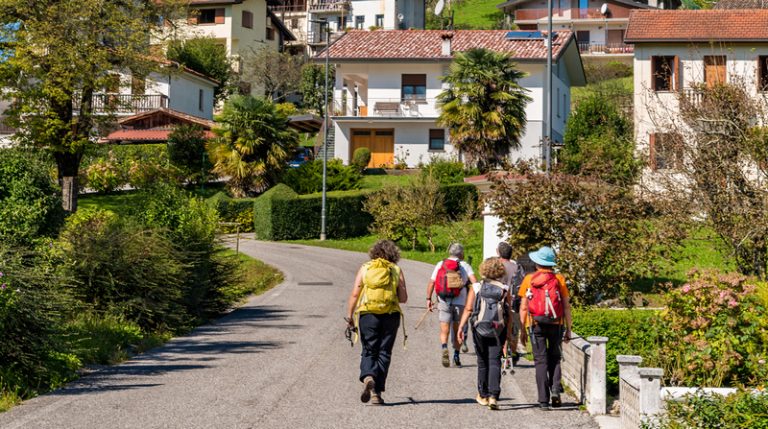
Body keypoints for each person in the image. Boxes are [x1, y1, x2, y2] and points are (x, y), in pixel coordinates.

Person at [346, 239, 408, 405]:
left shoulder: (366, 268)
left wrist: (350, 316)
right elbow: (403, 298)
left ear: (373, 252)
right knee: (384, 352)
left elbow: (354, 294)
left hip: (368, 314)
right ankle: (376, 394)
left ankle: (368, 377)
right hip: (390, 315)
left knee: (368, 349)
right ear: (393, 253)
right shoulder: (395, 269)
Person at [519, 246, 573, 409]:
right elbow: (566, 306)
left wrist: (523, 329)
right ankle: (555, 389)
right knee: (555, 357)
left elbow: (523, 307)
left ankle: (543, 400)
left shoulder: (529, 279)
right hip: (556, 324)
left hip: (536, 324)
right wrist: (568, 328)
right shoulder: (559, 279)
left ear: (537, 263)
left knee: (540, 361)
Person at [457, 257, 514, 410]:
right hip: (498, 328)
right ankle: (494, 396)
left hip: (479, 329)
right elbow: (508, 312)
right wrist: (508, 334)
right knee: (495, 361)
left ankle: (483, 395)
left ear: (484, 270)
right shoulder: (504, 289)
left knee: (482, 362)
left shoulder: (476, 287)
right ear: (500, 271)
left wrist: (461, 327)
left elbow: (469, 309)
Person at [426, 242, 477, 368]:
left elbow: (432, 282)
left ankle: (444, 348)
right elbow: (475, 283)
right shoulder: (465, 266)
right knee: (457, 330)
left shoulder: (441, 264)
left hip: (443, 301)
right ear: (461, 253)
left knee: (444, 329)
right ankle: (456, 355)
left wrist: (428, 299)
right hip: (460, 303)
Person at [497, 242, 526, 364]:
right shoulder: (518, 267)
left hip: (500, 301)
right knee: (513, 329)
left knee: (500, 328)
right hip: (516, 302)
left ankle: (503, 354)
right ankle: (511, 353)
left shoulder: (497, 267)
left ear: (499, 253)